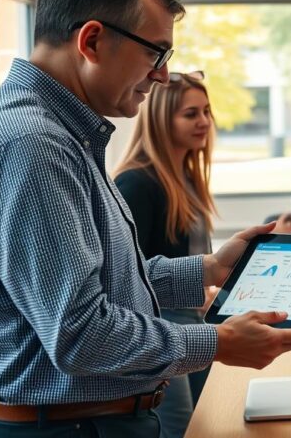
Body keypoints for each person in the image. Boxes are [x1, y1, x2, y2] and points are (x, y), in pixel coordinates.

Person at [0, 0, 291, 438]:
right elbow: (81, 335)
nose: (161, 75)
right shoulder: (32, 146)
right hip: (67, 429)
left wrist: (209, 268)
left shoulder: (60, 135)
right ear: (91, 41)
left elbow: (105, 282)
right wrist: (216, 342)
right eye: (156, 53)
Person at [113, 70, 215, 438]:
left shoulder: (186, 179)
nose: (204, 122)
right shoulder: (137, 183)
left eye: (206, 112)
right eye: (191, 114)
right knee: (180, 430)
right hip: (163, 332)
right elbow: (127, 277)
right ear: (160, 118)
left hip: (193, 322)